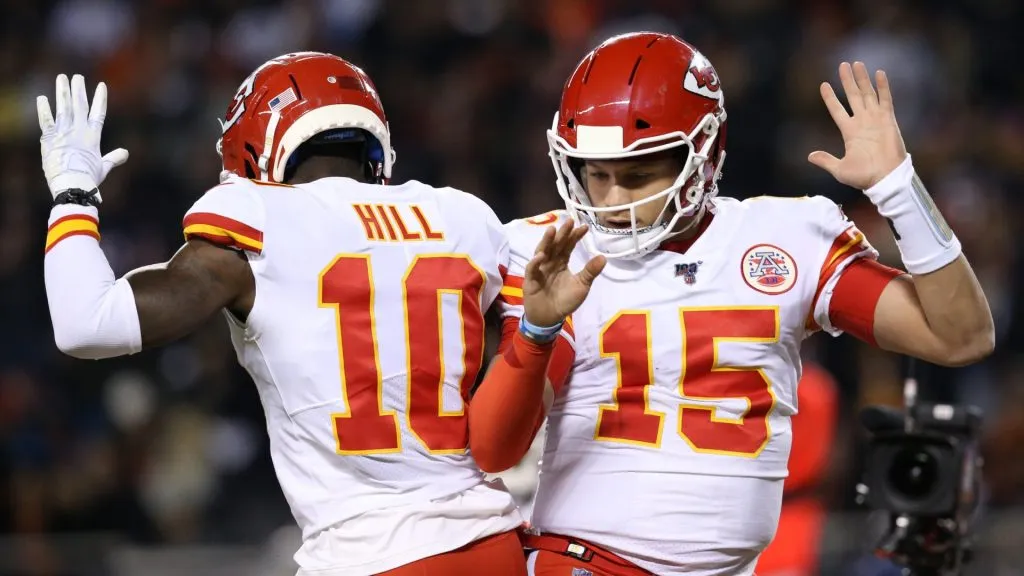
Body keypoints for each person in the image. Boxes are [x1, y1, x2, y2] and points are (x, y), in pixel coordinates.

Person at [36, 51, 600, 576]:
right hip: (492, 545)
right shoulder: (462, 216)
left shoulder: (257, 217)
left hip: (366, 555)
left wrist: (72, 195)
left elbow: (87, 324)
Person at [481, 32, 994, 575]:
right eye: (596, 174)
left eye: (636, 175)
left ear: (703, 154)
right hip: (589, 561)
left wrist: (898, 188)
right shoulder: (556, 251)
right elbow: (496, 449)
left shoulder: (786, 237)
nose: (610, 200)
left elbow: (960, 336)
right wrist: (537, 329)